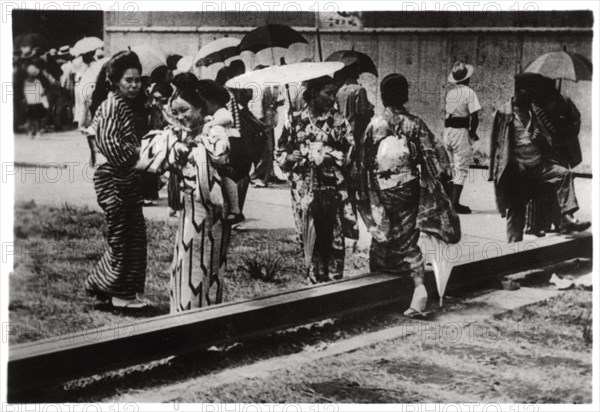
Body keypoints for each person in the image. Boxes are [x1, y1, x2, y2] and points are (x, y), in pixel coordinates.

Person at [357, 74, 460, 317]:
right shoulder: (415, 123)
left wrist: (366, 187)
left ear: (382, 97)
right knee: (407, 238)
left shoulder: (375, 125)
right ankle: (417, 288)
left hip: (381, 188)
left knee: (383, 234)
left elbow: (362, 160)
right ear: (405, 96)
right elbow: (436, 156)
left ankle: (379, 293)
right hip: (408, 188)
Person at [488, 72, 590, 243]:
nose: (533, 95)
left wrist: (540, 136)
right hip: (517, 171)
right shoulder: (504, 113)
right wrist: (494, 173)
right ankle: (513, 250)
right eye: (529, 91)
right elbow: (495, 144)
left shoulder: (535, 111)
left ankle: (567, 215)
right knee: (515, 209)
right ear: (520, 91)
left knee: (564, 174)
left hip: (538, 168)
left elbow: (552, 136)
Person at [277, 75, 357, 284]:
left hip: (332, 190)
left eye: (333, 94)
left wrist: (330, 156)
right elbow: (281, 150)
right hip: (304, 190)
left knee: (334, 241)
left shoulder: (339, 122)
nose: (332, 98)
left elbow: (350, 153)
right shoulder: (294, 120)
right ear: (313, 93)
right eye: (327, 93)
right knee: (309, 240)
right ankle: (314, 287)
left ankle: (333, 289)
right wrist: (290, 157)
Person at [84, 51, 149, 309]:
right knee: (125, 236)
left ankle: (106, 286)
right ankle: (121, 294)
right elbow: (111, 146)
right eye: (128, 80)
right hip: (114, 177)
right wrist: (140, 152)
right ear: (114, 81)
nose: (134, 85)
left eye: (137, 80)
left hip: (122, 175)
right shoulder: (112, 105)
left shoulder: (120, 104)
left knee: (129, 234)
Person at [164, 73, 233, 312]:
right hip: (189, 212)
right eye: (176, 113)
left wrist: (196, 146)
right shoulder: (184, 134)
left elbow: (221, 156)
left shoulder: (215, 132)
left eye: (185, 110)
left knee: (206, 267)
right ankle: (182, 319)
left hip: (209, 212)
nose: (181, 117)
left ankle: (201, 323)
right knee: (185, 264)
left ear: (201, 106)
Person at [442, 61, 481, 214]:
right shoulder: (469, 92)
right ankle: (454, 202)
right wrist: (472, 132)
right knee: (461, 167)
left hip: (448, 131)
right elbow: (475, 116)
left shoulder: (451, 92)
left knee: (450, 165)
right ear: (467, 78)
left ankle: (448, 200)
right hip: (460, 131)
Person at [250, 64, 285, 187]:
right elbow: (257, 108)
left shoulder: (269, 86)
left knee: (269, 150)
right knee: (267, 151)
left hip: (269, 122)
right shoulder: (259, 87)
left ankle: (266, 175)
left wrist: (276, 103)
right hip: (263, 123)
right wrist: (260, 123)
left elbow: (274, 102)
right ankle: (259, 176)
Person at [22, 63, 49, 138]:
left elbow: (24, 92)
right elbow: (41, 92)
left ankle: (30, 132)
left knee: (30, 118)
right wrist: (45, 101)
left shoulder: (26, 82)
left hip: (29, 102)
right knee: (37, 118)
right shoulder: (37, 81)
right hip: (37, 101)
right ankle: (37, 132)